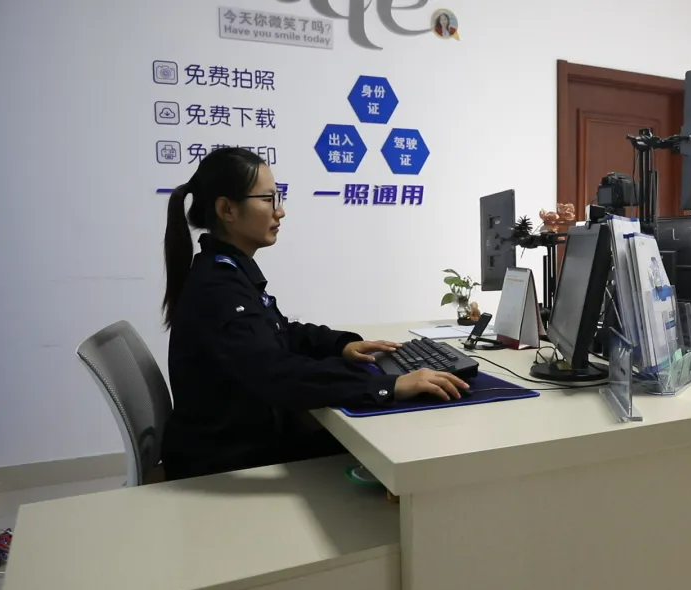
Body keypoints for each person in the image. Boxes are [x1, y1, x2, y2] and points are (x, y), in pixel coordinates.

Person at [160, 147, 468, 481]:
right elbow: (277, 373)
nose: (280, 211)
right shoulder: (218, 288)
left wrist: (340, 345)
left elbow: (280, 331)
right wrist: (388, 385)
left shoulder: (227, 272)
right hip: (225, 461)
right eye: (268, 199)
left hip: (242, 437)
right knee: (395, 443)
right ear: (227, 209)